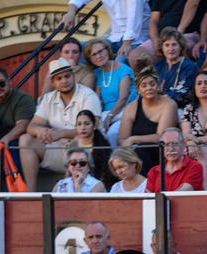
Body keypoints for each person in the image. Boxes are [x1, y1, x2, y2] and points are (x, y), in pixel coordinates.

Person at [20, 59, 103, 190]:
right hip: (60, 151)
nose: (64, 81)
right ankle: (31, 194)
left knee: (78, 139)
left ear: (74, 76)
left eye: (67, 76)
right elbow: (31, 126)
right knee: (25, 139)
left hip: (89, 151)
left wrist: (61, 133)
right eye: (59, 78)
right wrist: (40, 131)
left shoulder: (87, 95)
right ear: (53, 82)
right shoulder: (48, 98)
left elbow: (94, 127)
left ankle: (77, 188)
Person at [118, 69, 179, 175]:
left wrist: (134, 139)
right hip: (136, 152)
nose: (149, 88)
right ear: (138, 89)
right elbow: (122, 139)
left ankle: (144, 188)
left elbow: (162, 137)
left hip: (163, 151)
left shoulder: (169, 105)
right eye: (144, 85)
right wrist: (130, 147)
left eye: (152, 84)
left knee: (142, 149)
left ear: (158, 86)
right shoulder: (132, 107)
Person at [86, 38, 135, 142]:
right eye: (94, 54)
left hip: (125, 112)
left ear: (107, 50)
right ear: (90, 59)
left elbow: (123, 98)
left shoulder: (124, 69)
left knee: (112, 133)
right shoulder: (100, 74)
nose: (98, 56)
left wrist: (109, 117)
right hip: (106, 114)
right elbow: (97, 101)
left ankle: (112, 158)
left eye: (100, 51)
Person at [62, 2, 142, 63]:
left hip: (135, 39)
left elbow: (134, 18)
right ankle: (89, 79)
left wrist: (126, 43)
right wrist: (70, 13)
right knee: (82, 48)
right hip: (115, 38)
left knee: (118, 64)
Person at [155, 28, 202, 103]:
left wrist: (157, 99)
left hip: (180, 109)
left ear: (181, 46)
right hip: (156, 106)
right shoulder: (157, 66)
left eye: (174, 44)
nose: (171, 49)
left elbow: (184, 92)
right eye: (167, 45)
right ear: (162, 48)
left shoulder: (189, 66)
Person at [70, 110, 114, 188]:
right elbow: (68, 170)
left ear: (94, 125)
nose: (82, 128)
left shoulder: (103, 145)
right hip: (75, 184)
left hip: (97, 186)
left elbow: (104, 173)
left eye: (87, 124)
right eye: (79, 124)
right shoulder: (73, 145)